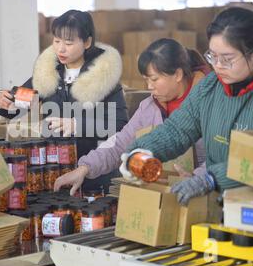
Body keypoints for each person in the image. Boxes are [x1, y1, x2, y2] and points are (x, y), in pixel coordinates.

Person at [121, 7, 253, 206]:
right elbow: (176, 130)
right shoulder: (210, 88)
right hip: (224, 208)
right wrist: (140, 151)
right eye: (212, 56)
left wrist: (211, 178)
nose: (217, 66)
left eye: (227, 59)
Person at [0, 10, 129, 193]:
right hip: (55, 168)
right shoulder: (47, 73)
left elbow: (119, 126)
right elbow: (18, 106)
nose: (61, 49)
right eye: (56, 41)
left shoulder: (105, 79)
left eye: (69, 43)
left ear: (87, 42)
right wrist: (0, 100)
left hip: (94, 174)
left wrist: (77, 125)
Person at [54, 38, 210, 196]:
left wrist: (199, 179)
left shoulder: (210, 102)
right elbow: (121, 142)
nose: (149, 87)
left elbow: (224, 154)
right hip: (165, 196)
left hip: (206, 199)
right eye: (146, 79)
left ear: (177, 74)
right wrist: (85, 168)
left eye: (155, 79)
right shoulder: (150, 107)